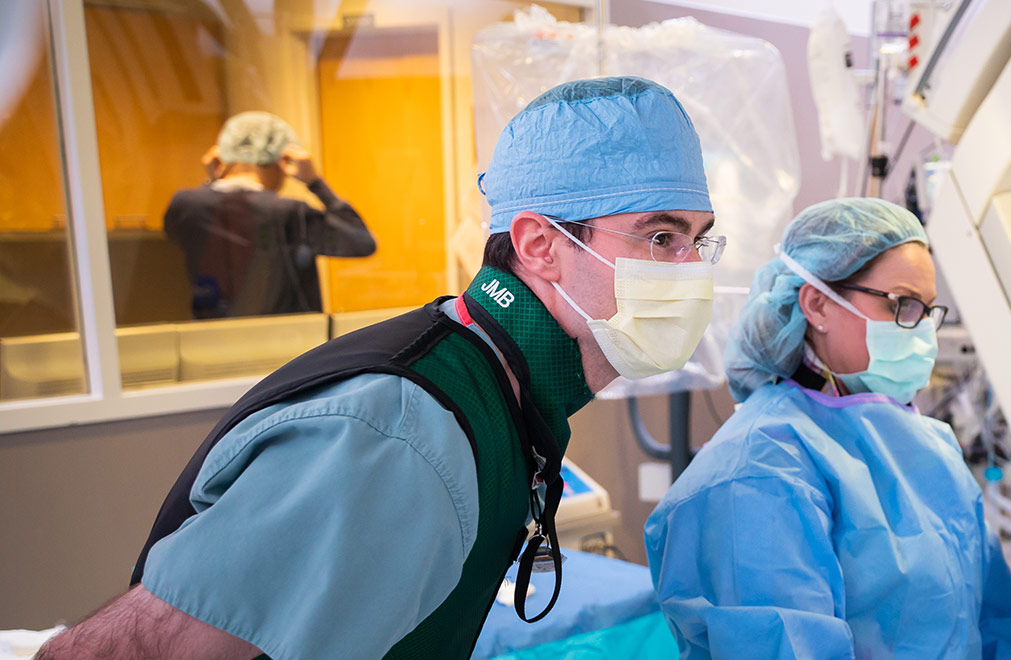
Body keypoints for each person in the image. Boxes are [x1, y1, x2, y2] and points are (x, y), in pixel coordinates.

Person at [36, 77, 721, 660]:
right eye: (661, 237)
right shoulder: (400, 433)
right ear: (540, 245)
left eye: (699, 240)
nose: (691, 271)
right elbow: (146, 647)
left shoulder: (503, 392)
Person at [644, 198, 1011, 659]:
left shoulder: (929, 446)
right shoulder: (757, 471)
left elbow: (994, 625)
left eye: (928, 310)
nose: (921, 330)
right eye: (903, 305)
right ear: (817, 305)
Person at [163, 111, 376, 319]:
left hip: (206, 343)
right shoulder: (288, 213)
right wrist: (315, 182)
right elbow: (361, 242)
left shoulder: (184, 205)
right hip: (285, 343)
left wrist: (213, 182)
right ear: (282, 161)